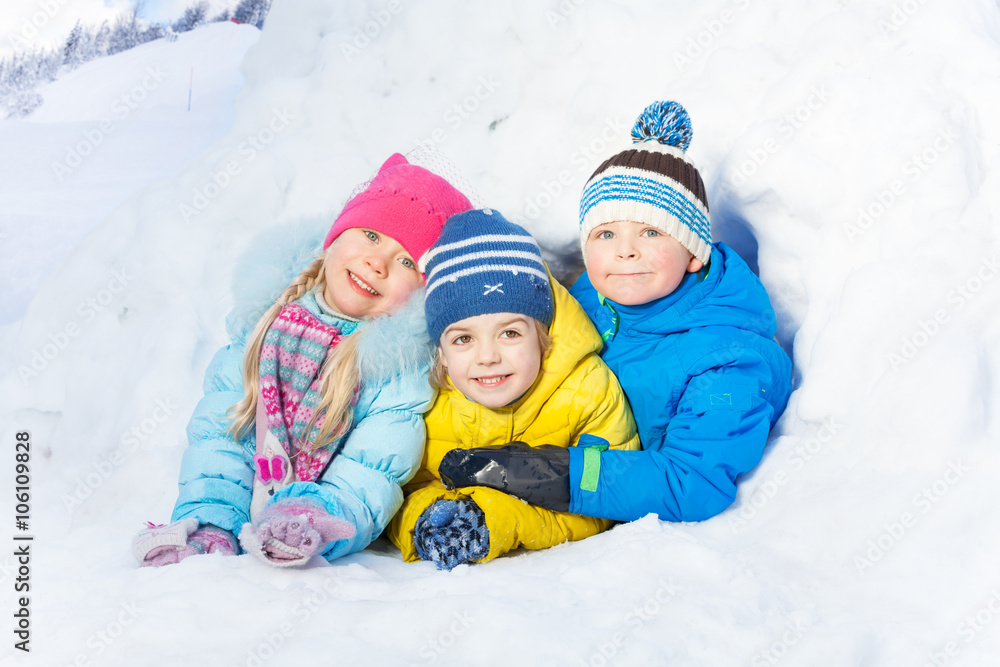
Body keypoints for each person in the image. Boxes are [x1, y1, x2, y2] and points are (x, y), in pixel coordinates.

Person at [439, 101, 793, 523]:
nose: (625, 250)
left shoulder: (729, 362)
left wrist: (555, 474)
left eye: (651, 231)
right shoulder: (593, 293)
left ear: (694, 254)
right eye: (606, 233)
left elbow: (691, 483)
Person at [132, 153, 473, 568]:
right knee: (218, 471)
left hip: (317, 512)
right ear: (334, 236)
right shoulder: (264, 321)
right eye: (370, 234)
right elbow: (221, 433)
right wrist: (211, 517)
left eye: (405, 261)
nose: (377, 262)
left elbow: (372, 470)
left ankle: (295, 522)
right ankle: (210, 530)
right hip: (231, 495)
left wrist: (314, 516)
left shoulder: (397, 372)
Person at [385, 208, 640, 570]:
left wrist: (502, 519)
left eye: (510, 333)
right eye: (463, 339)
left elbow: (605, 498)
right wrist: (427, 519)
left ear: (543, 337)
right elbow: (396, 493)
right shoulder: (423, 403)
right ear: (440, 354)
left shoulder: (588, 391)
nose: (487, 357)